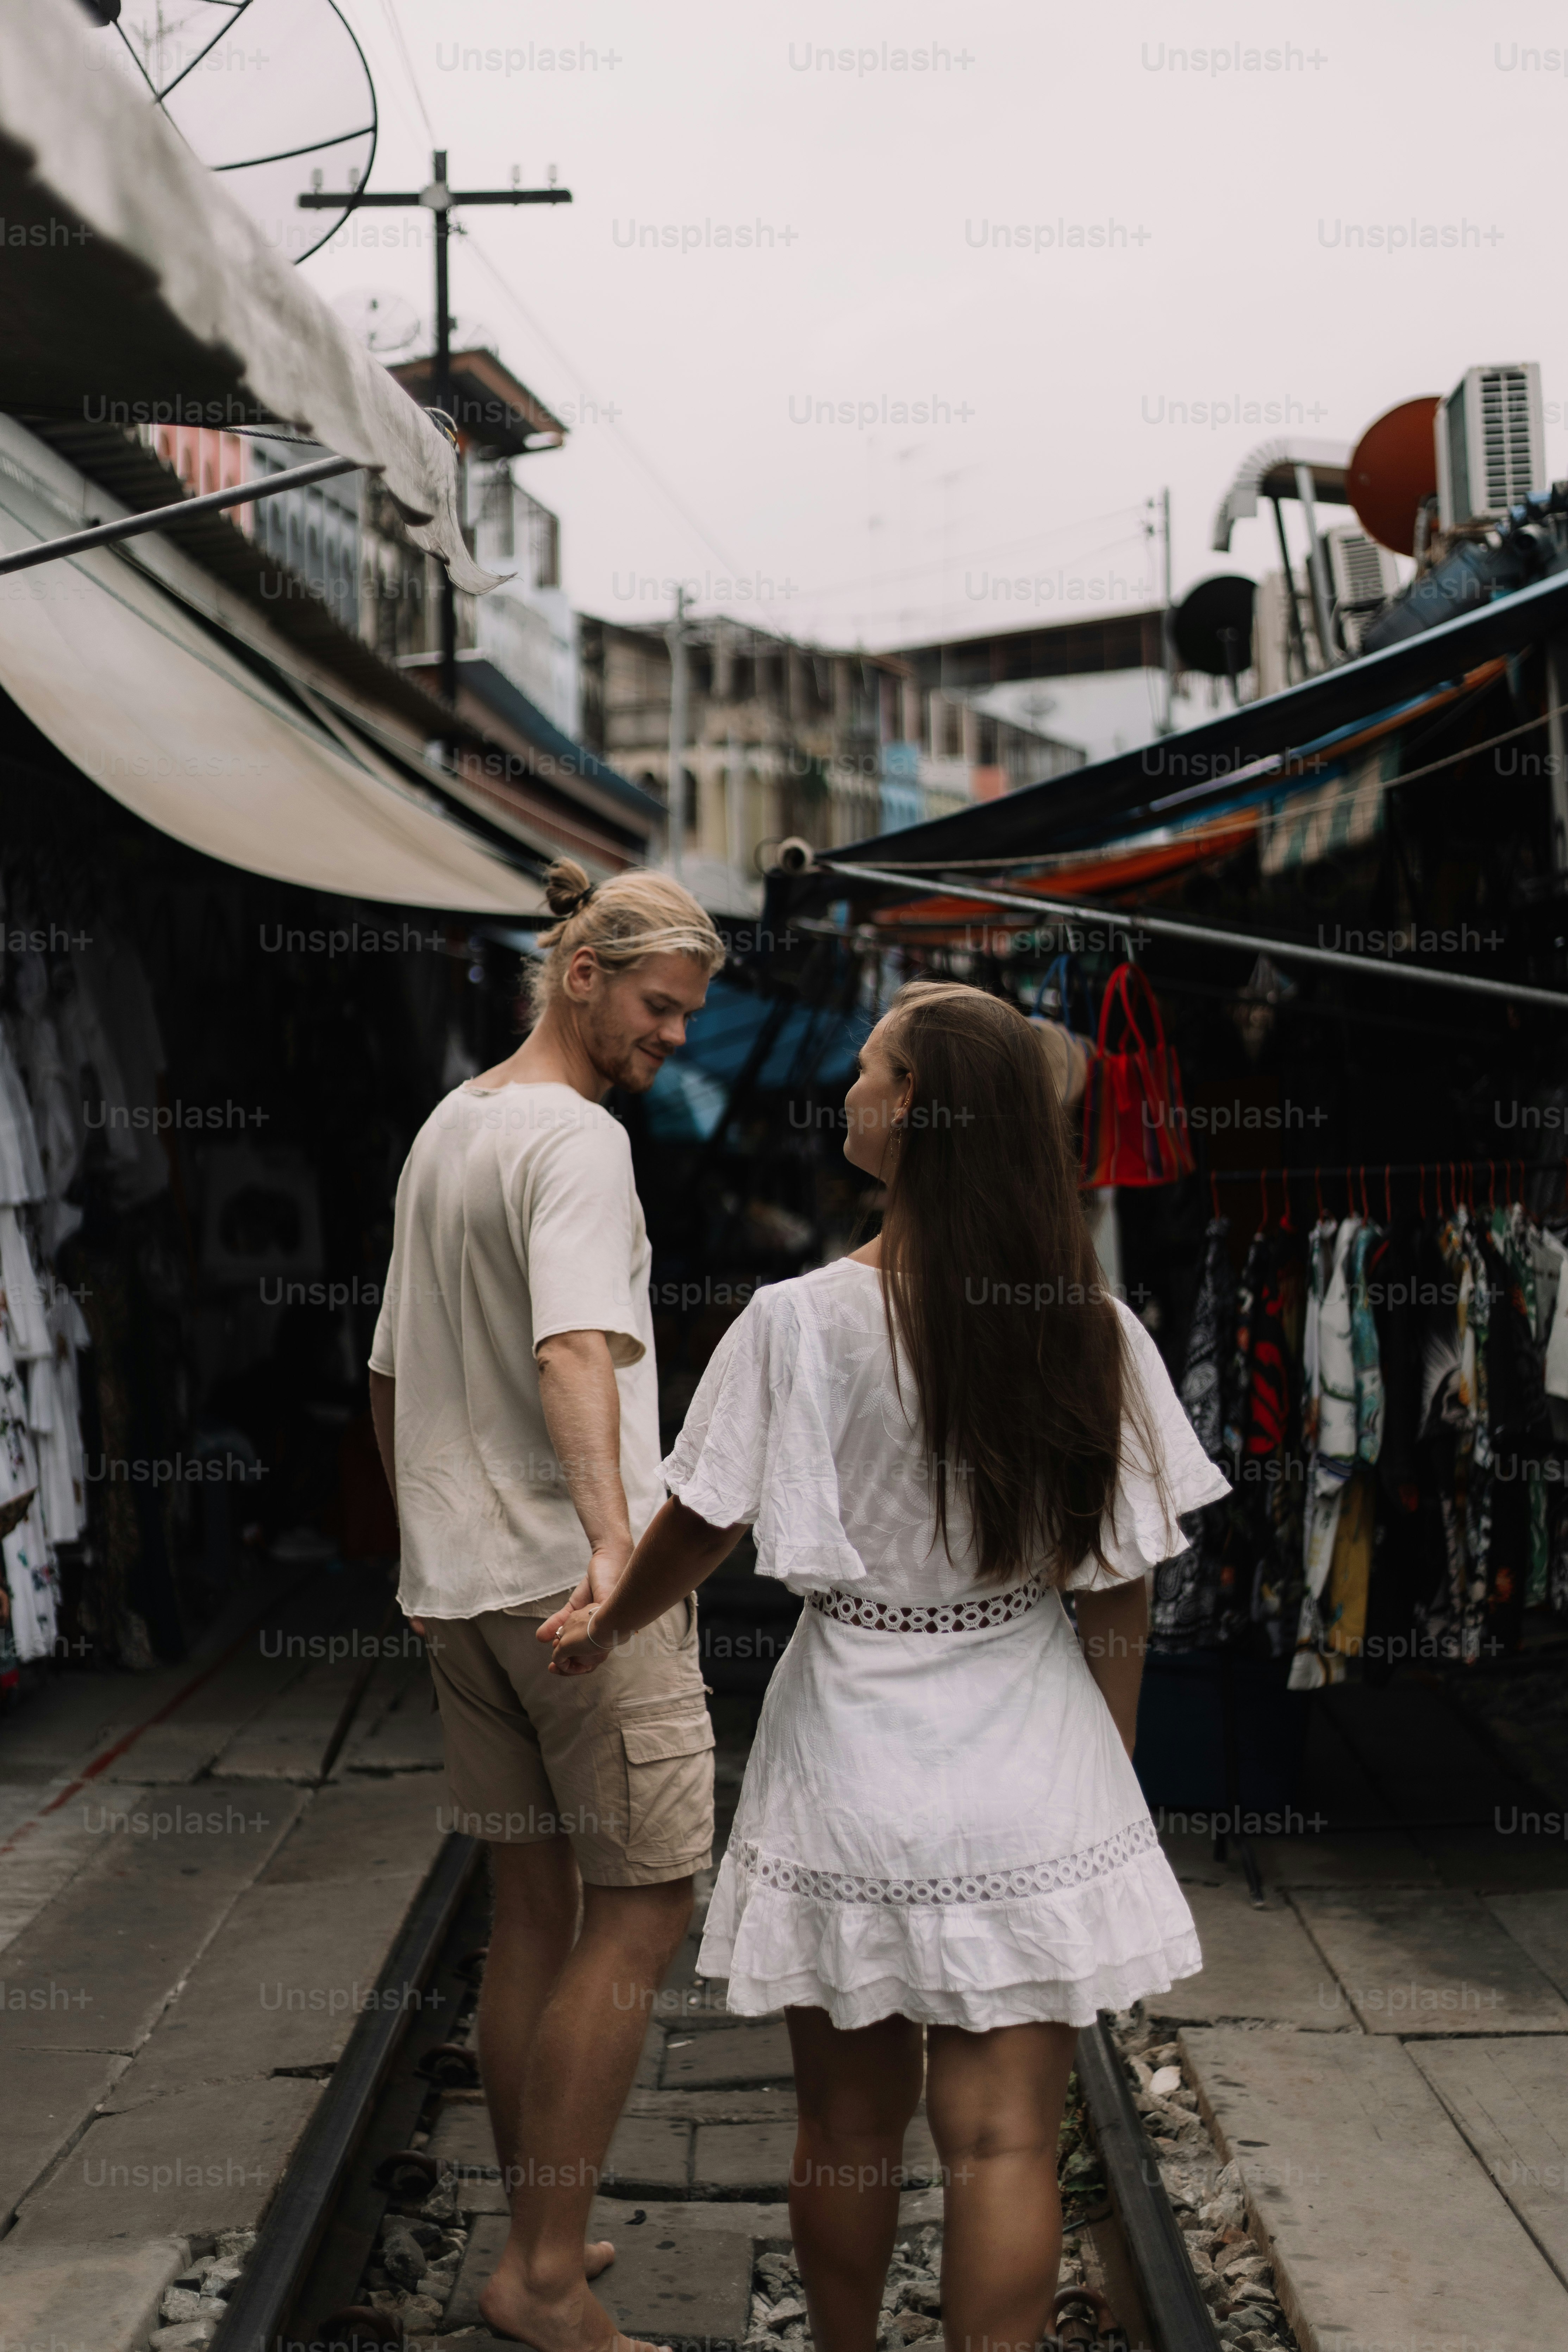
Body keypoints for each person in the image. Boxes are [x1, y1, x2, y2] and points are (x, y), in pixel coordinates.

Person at [548, 979, 1229, 2352]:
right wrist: (1101, 1777)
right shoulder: (1090, 1328)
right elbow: (1119, 1592)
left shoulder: (797, 1320)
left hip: (848, 1746)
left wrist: (612, 1615)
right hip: (1029, 1749)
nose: (848, 1089)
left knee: (848, 2128)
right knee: (1002, 2146)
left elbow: (707, 1520)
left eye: (868, 1066)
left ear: (913, 1103)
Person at [368, 858, 727, 2352]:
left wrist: (421, 1548)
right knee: (643, 1907)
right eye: (661, 1005)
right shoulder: (575, 1144)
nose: (677, 1037)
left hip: (461, 1593)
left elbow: (387, 1374)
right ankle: (543, 2268)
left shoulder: (451, 1125)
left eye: (688, 1012)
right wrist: (608, 1548)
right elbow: (578, 1347)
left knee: (531, 1911)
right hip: (574, 1596)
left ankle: (539, 2239)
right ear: (582, 978)